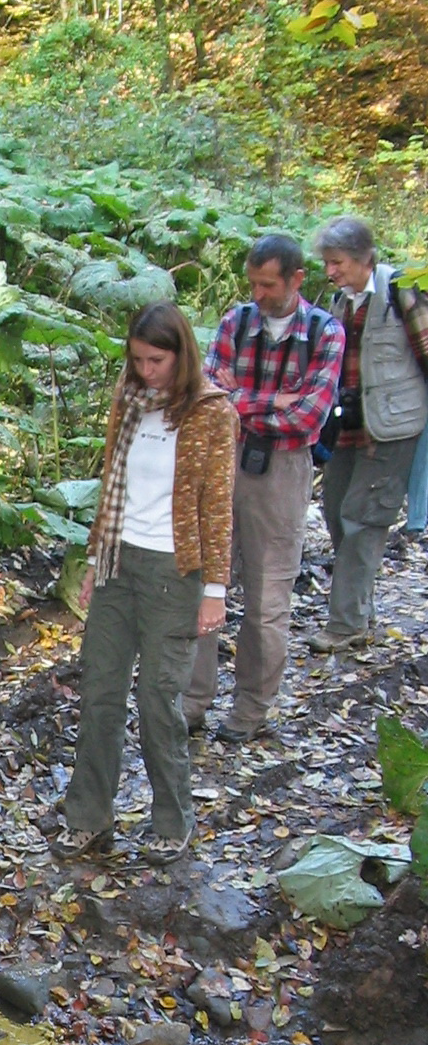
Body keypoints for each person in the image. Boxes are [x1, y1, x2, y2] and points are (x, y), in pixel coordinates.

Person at [51, 302, 238, 865]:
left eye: (156, 360)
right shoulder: (129, 403)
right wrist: (92, 563)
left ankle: (172, 818)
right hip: (120, 562)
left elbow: (218, 505)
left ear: (181, 356)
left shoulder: (211, 413)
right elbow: (112, 484)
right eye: (137, 359)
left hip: (175, 572)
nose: (146, 370)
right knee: (100, 692)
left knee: (158, 697)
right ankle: (89, 817)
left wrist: (216, 588)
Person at [183, 234, 345, 741]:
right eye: (253, 282)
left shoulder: (325, 332)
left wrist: (244, 400)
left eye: (268, 284)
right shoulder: (236, 321)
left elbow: (309, 416)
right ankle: (192, 701)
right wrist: (274, 400)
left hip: (281, 472)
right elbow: (209, 395)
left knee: (266, 599)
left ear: (297, 279)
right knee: (206, 582)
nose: (259, 293)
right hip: (221, 459)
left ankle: (251, 710)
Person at [311, 217, 428, 648]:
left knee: (363, 519)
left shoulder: (403, 293)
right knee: (337, 512)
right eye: (327, 262)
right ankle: (358, 609)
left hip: (394, 427)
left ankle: (345, 625)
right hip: (348, 426)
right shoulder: (339, 302)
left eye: (336, 262)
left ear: (362, 258)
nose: (330, 271)